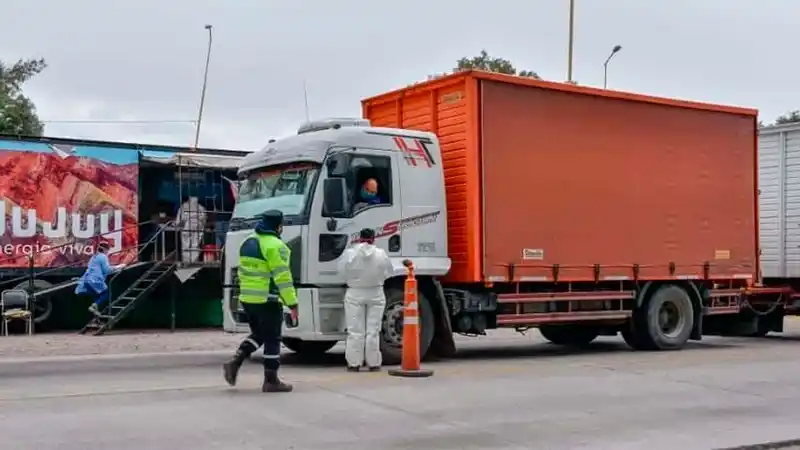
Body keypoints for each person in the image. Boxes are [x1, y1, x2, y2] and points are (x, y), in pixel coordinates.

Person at [222, 210, 298, 393]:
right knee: (273, 338)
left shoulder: (248, 241)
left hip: (248, 298)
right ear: (278, 226)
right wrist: (292, 303)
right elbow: (283, 278)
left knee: (259, 334)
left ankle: (236, 361)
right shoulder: (275, 246)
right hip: (267, 299)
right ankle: (271, 380)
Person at [339, 228, 394, 372]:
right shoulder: (381, 254)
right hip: (376, 292)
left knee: (355, 330)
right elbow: (389, 271)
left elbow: (341, 271)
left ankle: (354, 363)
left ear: (359, 237)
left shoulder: (350, 254)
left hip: (354, 292)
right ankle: (373, 363)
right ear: (373, 238)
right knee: (373, 330)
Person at [76, 241, 123, 316]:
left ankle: (95, 309)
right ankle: (94, 306)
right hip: (95, 280)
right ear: (105, 250)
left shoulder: (94, 257)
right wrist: (118, 267)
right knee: (106, 294)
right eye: (108, 250)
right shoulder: (103, 256)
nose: (108, 252)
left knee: (97, 294)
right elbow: (107, 270)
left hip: (87, 280)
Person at [176, 196, 207, 264]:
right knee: (195, 246)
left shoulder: (183, 207)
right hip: (198, 229)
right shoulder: (201, 208)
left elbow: (179, 221)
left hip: (186, 229)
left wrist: (177, 225)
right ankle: (194, 261)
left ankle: (187, 262)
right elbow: (204, 221)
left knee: (186, 246)